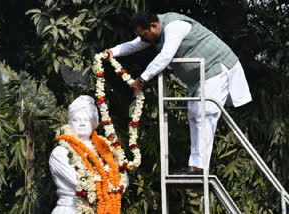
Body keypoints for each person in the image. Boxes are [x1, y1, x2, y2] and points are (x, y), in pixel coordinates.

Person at [104, 11, 252, 174]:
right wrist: (112, 51)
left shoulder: (175, 26)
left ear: (153, 26)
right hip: (199, 78)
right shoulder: (155, 32)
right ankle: (195, 166)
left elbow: (166, 56)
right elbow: (133, 45)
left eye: (145, 35)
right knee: (194, 114)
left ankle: (199, 167)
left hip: (215, 68)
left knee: (204, 115)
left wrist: (142, 79)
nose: (144, 40)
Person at [49, 95, 127, 213]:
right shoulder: (60, 152)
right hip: (71, 209)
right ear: (70, 123)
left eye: (86, 120)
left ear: (93, 122)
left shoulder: (105, 149)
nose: (82, 124)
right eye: (77, 119)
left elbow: (123, 177)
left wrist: (113, 183)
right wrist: (110, 180)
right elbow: (80, 182)